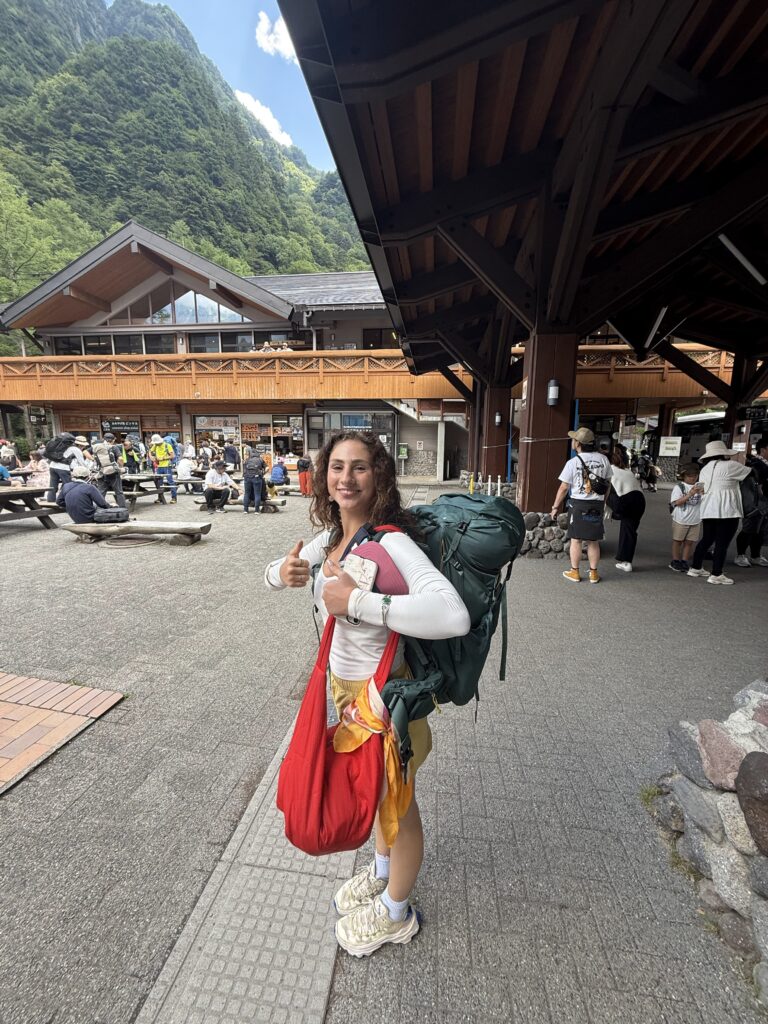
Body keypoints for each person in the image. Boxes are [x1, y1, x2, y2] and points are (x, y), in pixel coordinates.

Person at [264, 431, 470, 956]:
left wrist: (359, 602)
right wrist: (280, 573)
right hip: (347, 698)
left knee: (398, 809)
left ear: (379, 475)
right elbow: (275, 572)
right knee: (378, 801)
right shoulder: (334, 539)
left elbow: (452, 615)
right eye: (336, 467)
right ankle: (380, 876)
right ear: (323, 477)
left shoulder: (390, 542)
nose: (346, 478)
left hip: (384, 707)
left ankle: (398, 913)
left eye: (359, 467)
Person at [687, 440, 753, 585]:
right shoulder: (731, 465)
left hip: (708, 508)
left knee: (707, 539)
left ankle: (695, 567)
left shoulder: (705, 469)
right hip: (727, 509)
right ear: (724, 453)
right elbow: (750, 473)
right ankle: (716, 574)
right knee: (722, 543)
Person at [551, 426, 612, 583]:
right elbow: (608, 484)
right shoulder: (603, 459)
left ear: (578, 443)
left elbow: (564, 487)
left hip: (579, 504)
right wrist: (603, 502)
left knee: (576, 539)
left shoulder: (573, 462)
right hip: (597, 503)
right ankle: (593, 574)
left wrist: (555, 507)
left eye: (574, 439)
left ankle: (575, 572)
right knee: (593, 541)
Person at [605, 449, 645, 572]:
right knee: (629, 530)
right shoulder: (626, 471)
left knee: (602, 489)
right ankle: (626, 562)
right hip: (640, 500)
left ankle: (626, 562)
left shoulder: (608, 470)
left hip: (625, 501)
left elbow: (606, 493)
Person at [734, 436, 768, 568]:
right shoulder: (755, 464)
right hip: (754, 503)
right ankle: (740, 555)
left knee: (761, 530)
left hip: (764, 503)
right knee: (749, 529)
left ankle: (755, 556)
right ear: (763, 449)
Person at [669, 464, 704, 572]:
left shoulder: (701, 487)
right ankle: (675, 561)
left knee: (689, 542)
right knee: (678, 540)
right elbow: (676, 503)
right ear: (684, 476)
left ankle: (684, 561)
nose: (693, 478)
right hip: (681, 519)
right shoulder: (679, 487)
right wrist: (690, 494)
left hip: (696, 519)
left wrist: (703, 494)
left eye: (695, 475)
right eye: (689, 476)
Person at [45, 433, 87, 502]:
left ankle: (50, 500)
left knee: (53, 484)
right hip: (63, 468)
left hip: (52, 466)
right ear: (80, 445)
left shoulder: (62, 446)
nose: (84, 447)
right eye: (83, 446)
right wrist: (88, 470)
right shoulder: (76, 449)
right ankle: (67, 500)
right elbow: (82, 463)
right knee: (68, 485)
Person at [91, 436, 127, 508]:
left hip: (101, 472)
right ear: (113, 440)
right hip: (113, 472)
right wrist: (121, 467)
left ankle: (99, 509)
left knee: (101, 492)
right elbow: (120, 459)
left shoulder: (96, 447)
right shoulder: (113, 447)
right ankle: (123, 509)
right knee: (119, 492)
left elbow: (92, 457)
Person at [149, 433, 178, 503]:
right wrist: (151, 457)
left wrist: (163, 458)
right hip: (159, 466)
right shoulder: (155, 446)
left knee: (170, 481)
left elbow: (172, 456)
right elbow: (150, 451)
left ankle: (174, 498)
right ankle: (160, 497)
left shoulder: (167, 445)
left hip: (167, 465)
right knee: (159, 482)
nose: (157, 444)